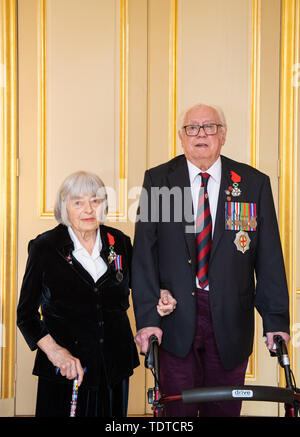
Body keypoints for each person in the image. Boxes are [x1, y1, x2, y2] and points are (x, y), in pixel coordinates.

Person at [131, 103, 290, 417]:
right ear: (181, 137)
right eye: (192, 128)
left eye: (209, 127)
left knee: (223, 409)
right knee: (177, 412)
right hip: (175, 319)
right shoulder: (161, 180)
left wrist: (276, 322)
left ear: (223, 135)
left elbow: (269, 257)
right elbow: (145, 254)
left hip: (231, 318)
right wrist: (149, 316)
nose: (200, 134)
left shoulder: (251, 184)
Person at [17, 171, 141, 417]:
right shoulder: (45, 247)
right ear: (64, 207)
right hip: (65, 371)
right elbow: (26, 316)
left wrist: (163, 298)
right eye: (78, 202)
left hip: (114, 368)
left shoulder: (120, 242)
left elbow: (142, 290)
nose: (88, 209)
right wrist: (57, 353)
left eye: (95, 200)